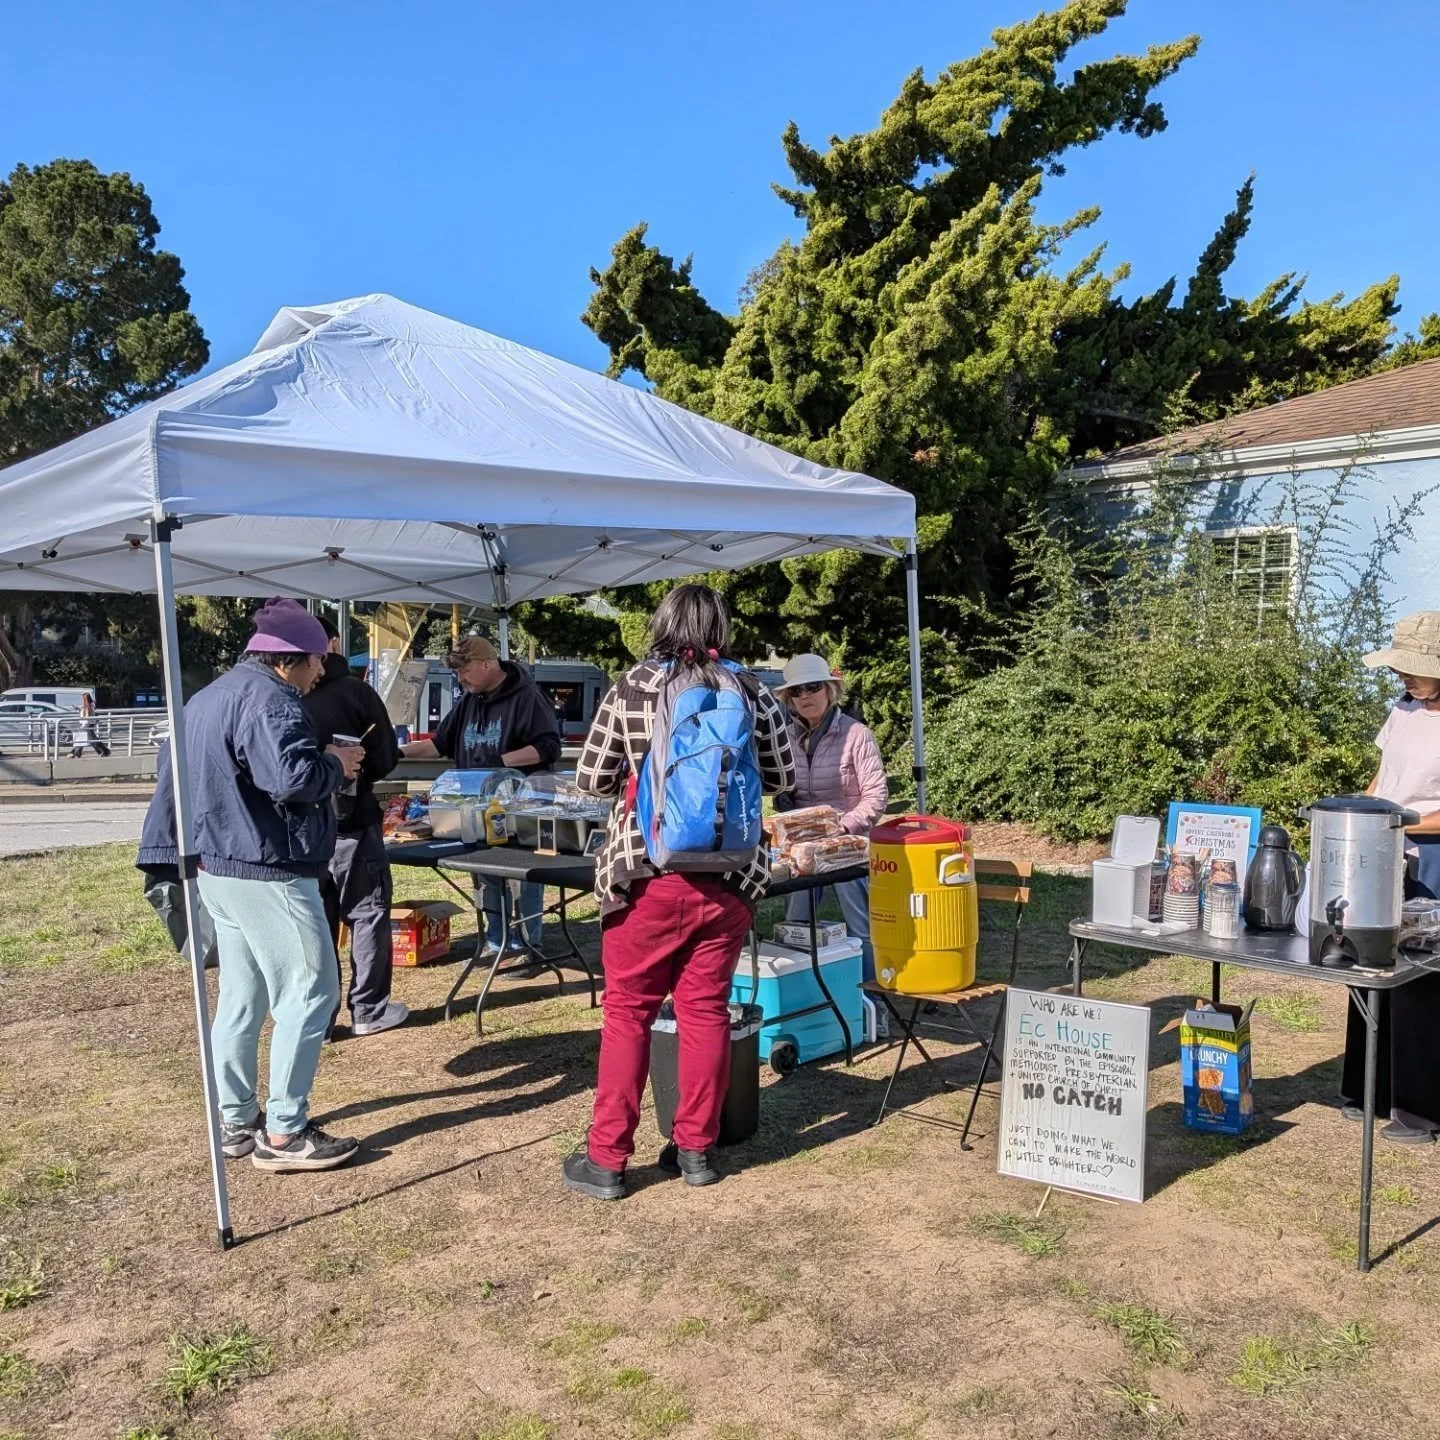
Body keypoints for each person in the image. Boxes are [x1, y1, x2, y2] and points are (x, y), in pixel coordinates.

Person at [564, 584, 796, 1200]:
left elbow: (592, 778)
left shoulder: (633, 686)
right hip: (730, 879)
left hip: (645, 874)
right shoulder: (752, 688)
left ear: (662, 623)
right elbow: (783, 775)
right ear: (721, 627)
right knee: (705, 1012)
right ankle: (696, 1151)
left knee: (627, 1014)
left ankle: (607, 1159)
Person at [136, 598, 365, 1173]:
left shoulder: (210, 696)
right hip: (269, 869)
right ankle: (285, 1134)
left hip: (219, 867)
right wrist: (336, 762)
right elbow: (292, 779)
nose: (321, 672)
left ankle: (236, 1121)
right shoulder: (273, 701)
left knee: (243, 996)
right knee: (311, 992)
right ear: (289, 659)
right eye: (318, 660)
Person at [1339, 611, 1440, 1143]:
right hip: (1384, 848)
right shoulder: (1403, 708)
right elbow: (1384, 779)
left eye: (1412, 668)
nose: (1403, 676)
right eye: (1399, 667)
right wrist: (1363, 816)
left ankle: (1420, 1113)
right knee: (1367, 958)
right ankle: (1366, 1091)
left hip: (1433, 856)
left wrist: (1401, 822)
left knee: (1422, 978)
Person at [400, 636, 561, 961]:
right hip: (477, 807)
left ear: (488, 664)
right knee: (485, 873)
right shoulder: (469, 700)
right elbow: (439, 743)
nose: (460, 679)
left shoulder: (528, 697)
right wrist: (397, 753)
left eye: (465, 671)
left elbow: (548, 747)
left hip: (521, 806)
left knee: (524, 876)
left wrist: (499, 763)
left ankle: (528, 945)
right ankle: (497, 941)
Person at [773, 653, 890, 1027]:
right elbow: (780, 786)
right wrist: (783, 800)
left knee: (860, 924)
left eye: (813, 687)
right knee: (795, 922)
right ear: (789, 698)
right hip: (803, 848)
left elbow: (876, 796)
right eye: (797, 691)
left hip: (849, 846)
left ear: (830, 690)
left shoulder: (857, 734)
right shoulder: (786, 736)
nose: (805, 696)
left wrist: (844, 827)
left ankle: (873, 1005)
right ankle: (801, 1001)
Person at [305, 617, 407, 1038]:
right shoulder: (355, 691)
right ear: (331, 643)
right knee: (367, 911)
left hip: (302, 828)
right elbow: (385, 757)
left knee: (317, 921)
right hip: (351, 821)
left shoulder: (279, 695)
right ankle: (368, 1009)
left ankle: (321, 1019)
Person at [70, 692, 111, 759]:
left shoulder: (90, 705)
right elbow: (84, 711)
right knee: (83, 738)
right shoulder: (87, 705)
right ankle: (76, 753)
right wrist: (79, 709)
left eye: (84, 698)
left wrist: (83, 707)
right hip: (85, 723)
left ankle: (104, 751)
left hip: (88, 723)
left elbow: (88, 712)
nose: (83, 699)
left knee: (91, 739)